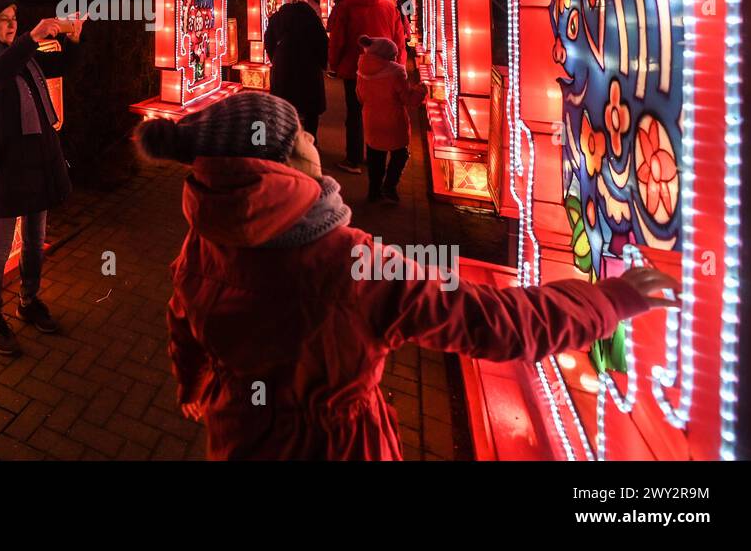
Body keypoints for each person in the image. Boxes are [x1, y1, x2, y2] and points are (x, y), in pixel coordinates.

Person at [132, 91, 680, 460]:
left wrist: (195, 384)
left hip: (237, 434)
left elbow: (181, 320)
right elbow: (494, 322)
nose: (312, 141)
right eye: (299, 135)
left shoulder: (205, 237)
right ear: (280, 160)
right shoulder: (353, 263)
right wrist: (610, 301)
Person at [0, 0, 83, 355]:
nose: (13, 24)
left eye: (15, 17)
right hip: (3, 170)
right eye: (4, 18)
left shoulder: (25, 60)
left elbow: (60, 69)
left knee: (35, 240)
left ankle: (29, 301)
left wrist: (72, 40)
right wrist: (32, 37)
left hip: (37, 163)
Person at [327, 0, 407, 174]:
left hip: (354, 69)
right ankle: (376, 159)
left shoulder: (346, 8)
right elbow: (399, 39)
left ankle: (353, 159)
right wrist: (398, 65)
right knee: (379, 113)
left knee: (354, 114)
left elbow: (338, 40)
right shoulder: (389, 8)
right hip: (384, 69)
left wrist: (334, 65)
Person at [356, 35, 425, 203]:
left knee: (375, 158)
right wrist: (421, 90)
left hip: (372, 120)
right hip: (393, 121)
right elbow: (409, 99)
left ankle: (374, 192)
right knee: (400, 155)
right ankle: (389, 188)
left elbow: (360, 96)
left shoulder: (362, 70)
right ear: (387, 56)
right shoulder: (395, 72)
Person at [262, 0, 329, 140]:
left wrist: (276, 59)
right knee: (310, 107)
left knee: (284, 104)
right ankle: (311, 140)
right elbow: (323, 43)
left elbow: (268, 41)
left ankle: (286, 138)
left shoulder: (277, 17)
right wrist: (321, 63)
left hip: (283, 66)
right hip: (309, 67)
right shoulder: (312, 18)